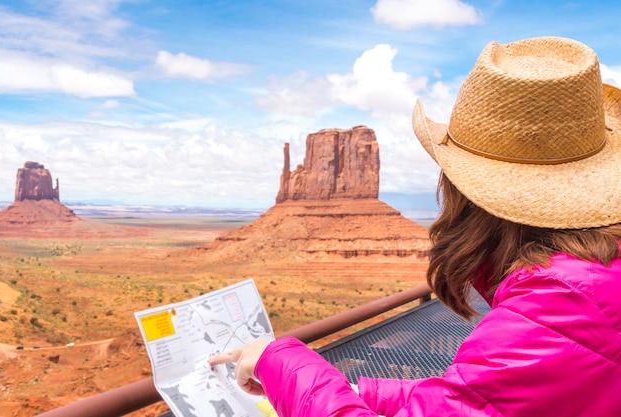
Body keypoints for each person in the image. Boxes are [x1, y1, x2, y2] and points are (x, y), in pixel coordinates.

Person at [209, 36, 621, 416]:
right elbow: (473, 398)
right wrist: (354, 391)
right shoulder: (594, 275)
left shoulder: (561, 301)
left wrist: (278, 360)